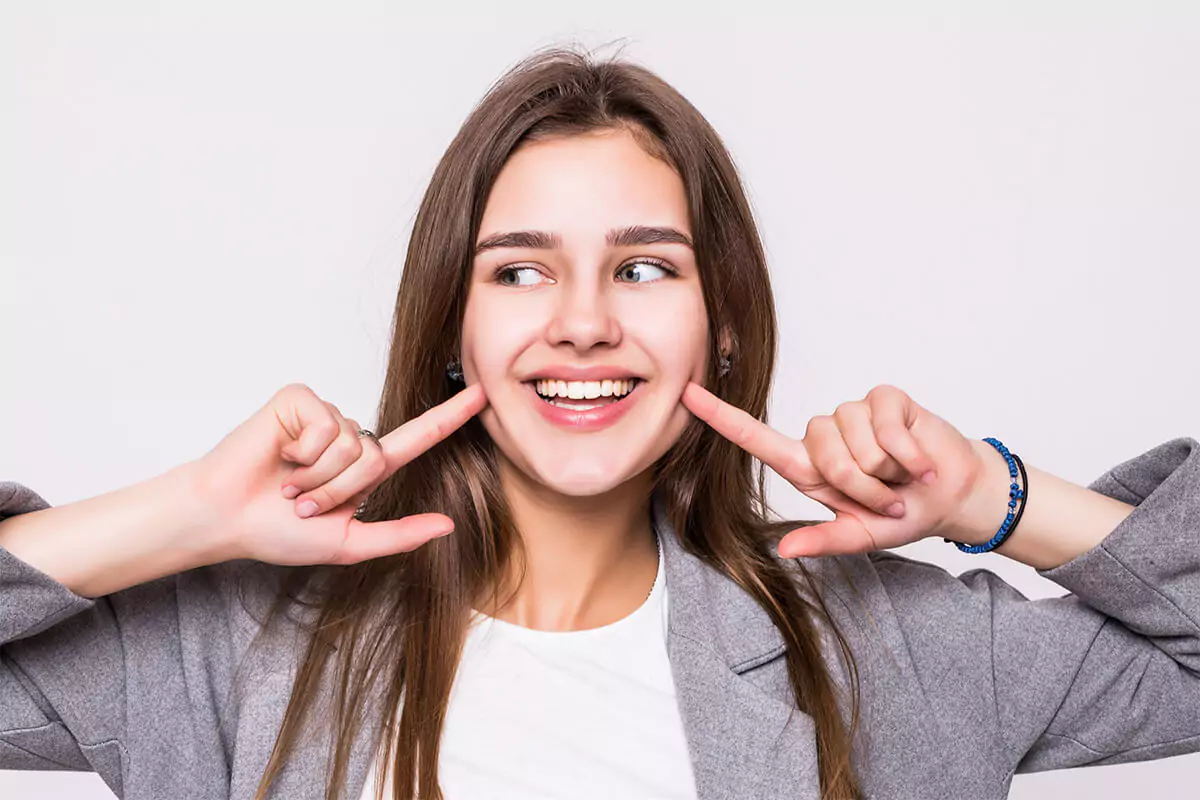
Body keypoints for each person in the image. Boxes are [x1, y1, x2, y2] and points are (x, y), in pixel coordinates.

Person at [2, 46, 1198, 800]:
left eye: (643, 268)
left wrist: (997, 497)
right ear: (450, 328)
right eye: (520, 272)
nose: (582, 322)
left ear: (721, 322)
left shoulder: (894, 653)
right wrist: (188, 516)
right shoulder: (239, 641)